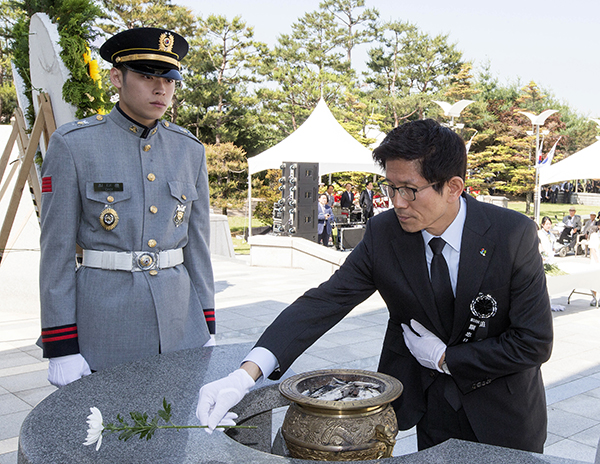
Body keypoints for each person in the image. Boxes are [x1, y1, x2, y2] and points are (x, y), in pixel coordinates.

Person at [196, 119, 553, 453]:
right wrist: (245, 375)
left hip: (504, 410)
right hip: (433, 407)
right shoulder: (386, 234)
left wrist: (446, 358)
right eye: (391, 187)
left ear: (453, 188)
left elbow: (533, 342)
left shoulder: (510, 235)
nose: (397, 202)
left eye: (410, 190)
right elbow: (324, 302)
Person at [39, 27, 215, 387]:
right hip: (104, 329)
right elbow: (56, 251)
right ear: (117, 78)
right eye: (147, 76)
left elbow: (197, 246)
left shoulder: (189, 150)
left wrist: (207, 324)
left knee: (179, 419)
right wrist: (61, 345)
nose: (161, 89)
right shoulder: (74, 145)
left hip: (180, 327)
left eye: (169, 79)